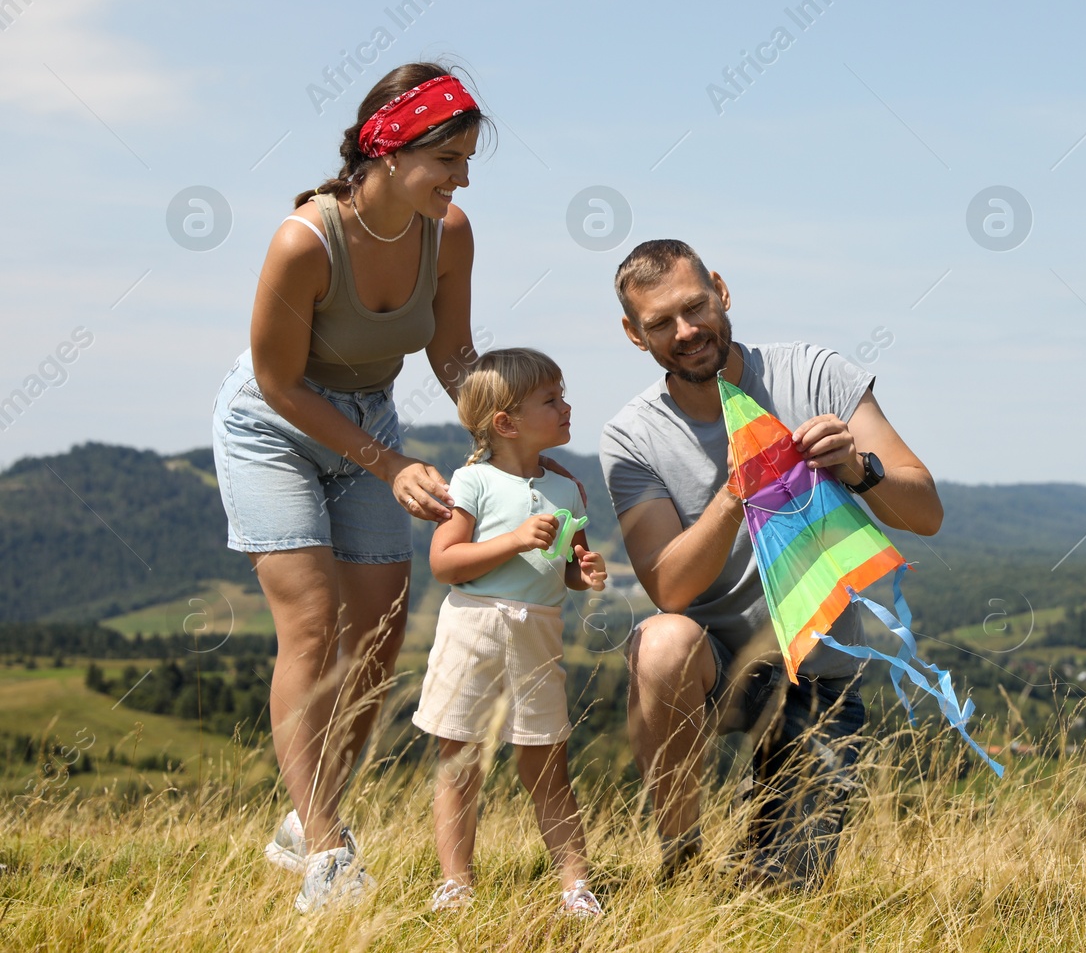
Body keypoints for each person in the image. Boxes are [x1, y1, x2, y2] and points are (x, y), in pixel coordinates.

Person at [210, 63, 581, 913]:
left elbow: (453, 355)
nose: (461, 179)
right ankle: (330, 850)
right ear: (388, 146)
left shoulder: (448, 233)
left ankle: (305, 818)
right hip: (273, 426)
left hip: (366, 420)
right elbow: (278, 383)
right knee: (310, 626)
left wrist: (507, 446)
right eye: (447, 159)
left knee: (378, 634)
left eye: (466, 162)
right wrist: (388, 463)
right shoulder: (305, 240)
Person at [598, 239, 944, 887]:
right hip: (715, 666)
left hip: (821, 676)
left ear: (721, 290)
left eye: (695, 306)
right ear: (633, 334)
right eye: (660, 323)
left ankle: (764, 856)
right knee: (660, 641)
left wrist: (855, 468)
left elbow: (925, 511)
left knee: (778, 898)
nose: (687, 331)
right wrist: (735, 495)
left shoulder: (813, 373)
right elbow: (669, 585)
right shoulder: (631, 435)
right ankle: (682, 862)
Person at [414, 348, 607, 918]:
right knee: (461, 759)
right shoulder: (471, 481)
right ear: (506, 423)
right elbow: (446, 562)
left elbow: (564, 566)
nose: (567, 406)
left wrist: (583, 573)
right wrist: (516, 539)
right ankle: (456, 884)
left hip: (538, 633)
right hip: (472, 628)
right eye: (551, 399)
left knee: (547, 763)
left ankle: (576, 887)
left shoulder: (568, 490)